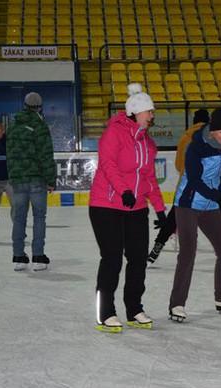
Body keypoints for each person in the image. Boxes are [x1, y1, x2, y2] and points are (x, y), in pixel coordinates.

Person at [89, 83, 166, 333]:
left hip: (136, 208)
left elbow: (150, 178)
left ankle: (134, 308)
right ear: (136, 112)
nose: (152, 116)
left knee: (138, 259)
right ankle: (105, 312)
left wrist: (160, 209)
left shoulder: (147, 143)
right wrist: (123, 191)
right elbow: (108, 165)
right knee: (112, 259)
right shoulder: (114, 133)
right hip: (107, 205)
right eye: (149, 112)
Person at [148, 109, 221, 265]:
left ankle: (155, 251)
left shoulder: (185, 138)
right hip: (212, 187)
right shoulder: (215, 136)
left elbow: (179, 165)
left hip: (189, 188)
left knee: (174, 217)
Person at [168, 108, 221, 323]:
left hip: (210, 205)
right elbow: (195, 181)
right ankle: (177, 304)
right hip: (188, 203)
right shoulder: (196, 147)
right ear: (213, 131)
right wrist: (215, 195)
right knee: (188, 252)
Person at [6, 92, 56, 271]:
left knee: (19, 218)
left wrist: (12, 176)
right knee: (39, 218)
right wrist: (51, 179)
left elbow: (9, 154)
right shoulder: (39, 125)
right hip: (36, 179)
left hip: (18, 180)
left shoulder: (12, 125)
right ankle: (38, 257)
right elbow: (45, 154)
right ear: (40, 107)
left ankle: (18, 257)